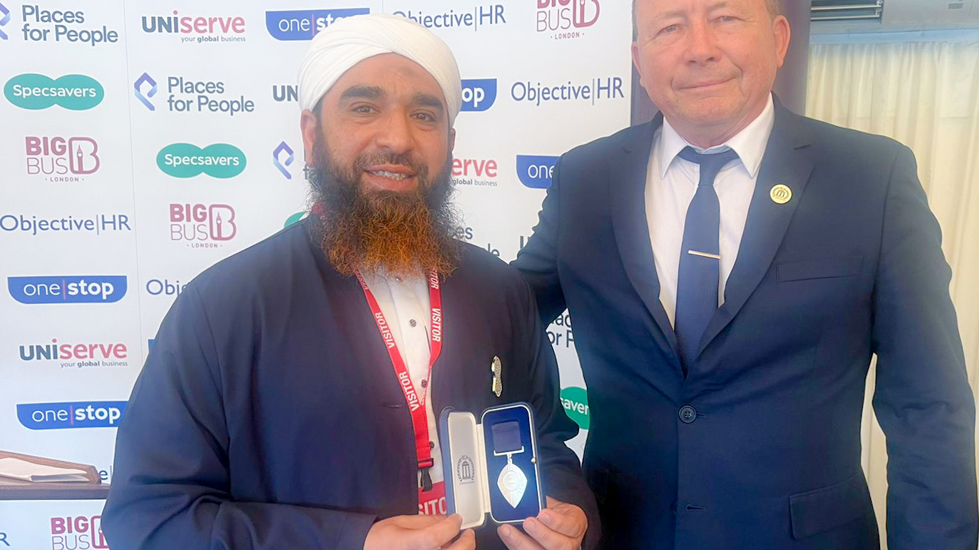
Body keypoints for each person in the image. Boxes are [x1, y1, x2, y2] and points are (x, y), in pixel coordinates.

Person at [102, 14, 596, 550]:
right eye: (364, 108)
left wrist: (572, 516)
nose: (398, 138)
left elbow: (547, 443)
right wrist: (350, 542)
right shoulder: (224, 307)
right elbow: (151, 518)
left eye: (424, 115)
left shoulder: (498, 290)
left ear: (450, 143)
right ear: (311, 135)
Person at [512, 0, 978, 548]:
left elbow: (927, 405)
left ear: (779, 39)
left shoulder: (871, 178)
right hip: (621, 533)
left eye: (726, 18)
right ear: (639, 60)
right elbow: (504, 316)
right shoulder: (583, 179)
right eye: (669, 28)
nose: (700, 48)